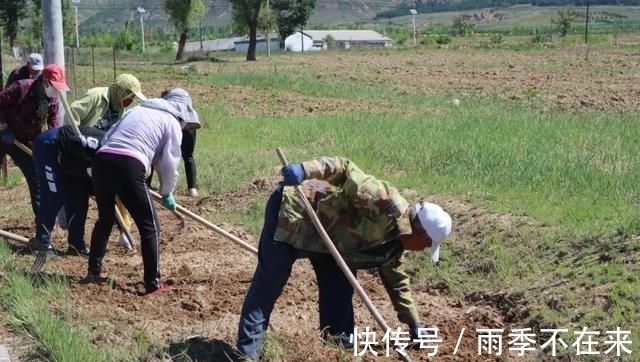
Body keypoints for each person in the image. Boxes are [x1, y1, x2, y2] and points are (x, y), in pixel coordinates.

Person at [236, 156, 452, 361]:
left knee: (339, 288)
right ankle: (247, 354)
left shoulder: (394, 246)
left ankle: (336, 350)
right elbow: (343, 167)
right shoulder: (383, 200)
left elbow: (397, 283)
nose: (423, 250)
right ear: (420, 233)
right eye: (426, 245)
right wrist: (304, 170)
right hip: (294, 215)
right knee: (270, 283)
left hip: (330, 244)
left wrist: (414, 323)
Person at [81, 87, 201, 295]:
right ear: (181, 111)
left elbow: (109, 135)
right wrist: (167, 192)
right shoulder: (171, 122)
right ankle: (152, 283)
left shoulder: (137, 111)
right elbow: (169, 164)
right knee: (150, 226)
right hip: (129, 163)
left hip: (102, 160)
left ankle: (94, 271)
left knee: (105, 218)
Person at [63, 73, 147, 249]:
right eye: (129, 97)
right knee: (78, 202)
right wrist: (79, 147)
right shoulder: (96, 96)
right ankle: (76, 244)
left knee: (120, 191)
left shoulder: (120, 108)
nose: (130, 102)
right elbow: (71, 117)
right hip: (79, 158)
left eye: (132, 99)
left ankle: (125, 231)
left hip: (99, 159)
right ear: (120, 92)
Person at [27, 125, 106, 257]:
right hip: (50, 145)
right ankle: (42, 243)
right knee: (53, 194)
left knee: (79, 195)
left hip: (74, 160)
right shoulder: (109, 153)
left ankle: (76, 244)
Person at [0, 64, 67, 217]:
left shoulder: (52, 102)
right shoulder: (21, 87)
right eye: (54, 86)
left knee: (36, 180)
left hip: (23, 143)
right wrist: (3, 128)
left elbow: (52, 128)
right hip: (4, 135)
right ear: (45, 81)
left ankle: (42, 223)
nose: (56, 90)